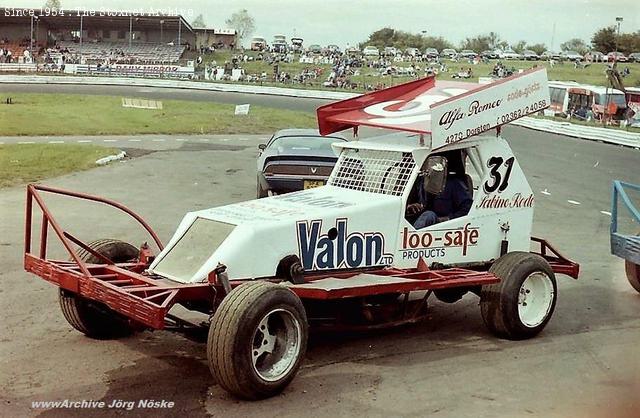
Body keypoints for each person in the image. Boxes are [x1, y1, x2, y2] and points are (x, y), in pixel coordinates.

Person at [406, 150, 474, 229]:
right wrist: (410, 206)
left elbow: (468, 208)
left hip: (442, 226)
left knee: (429, 215)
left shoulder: (453, 183)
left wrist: (447, 219)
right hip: (421, 221)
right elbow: (413, 201)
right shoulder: (420, 180)